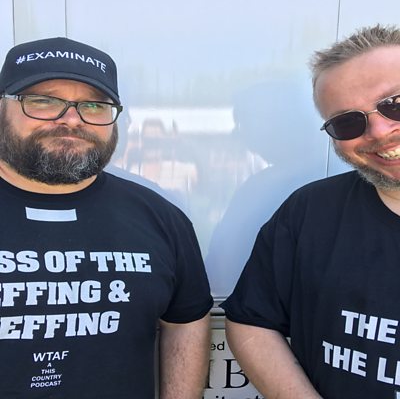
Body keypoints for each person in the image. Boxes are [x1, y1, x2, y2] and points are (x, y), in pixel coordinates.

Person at [0, 37, 213, 398]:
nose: (71, 119)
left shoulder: (161, 219)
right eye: (43, 101)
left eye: (94, 105)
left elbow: (186, 321)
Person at [221, 24, 400, 398]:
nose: (379, 131)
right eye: (348, 122)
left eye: (394, 103)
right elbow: (252, 319)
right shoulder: (309, 212)